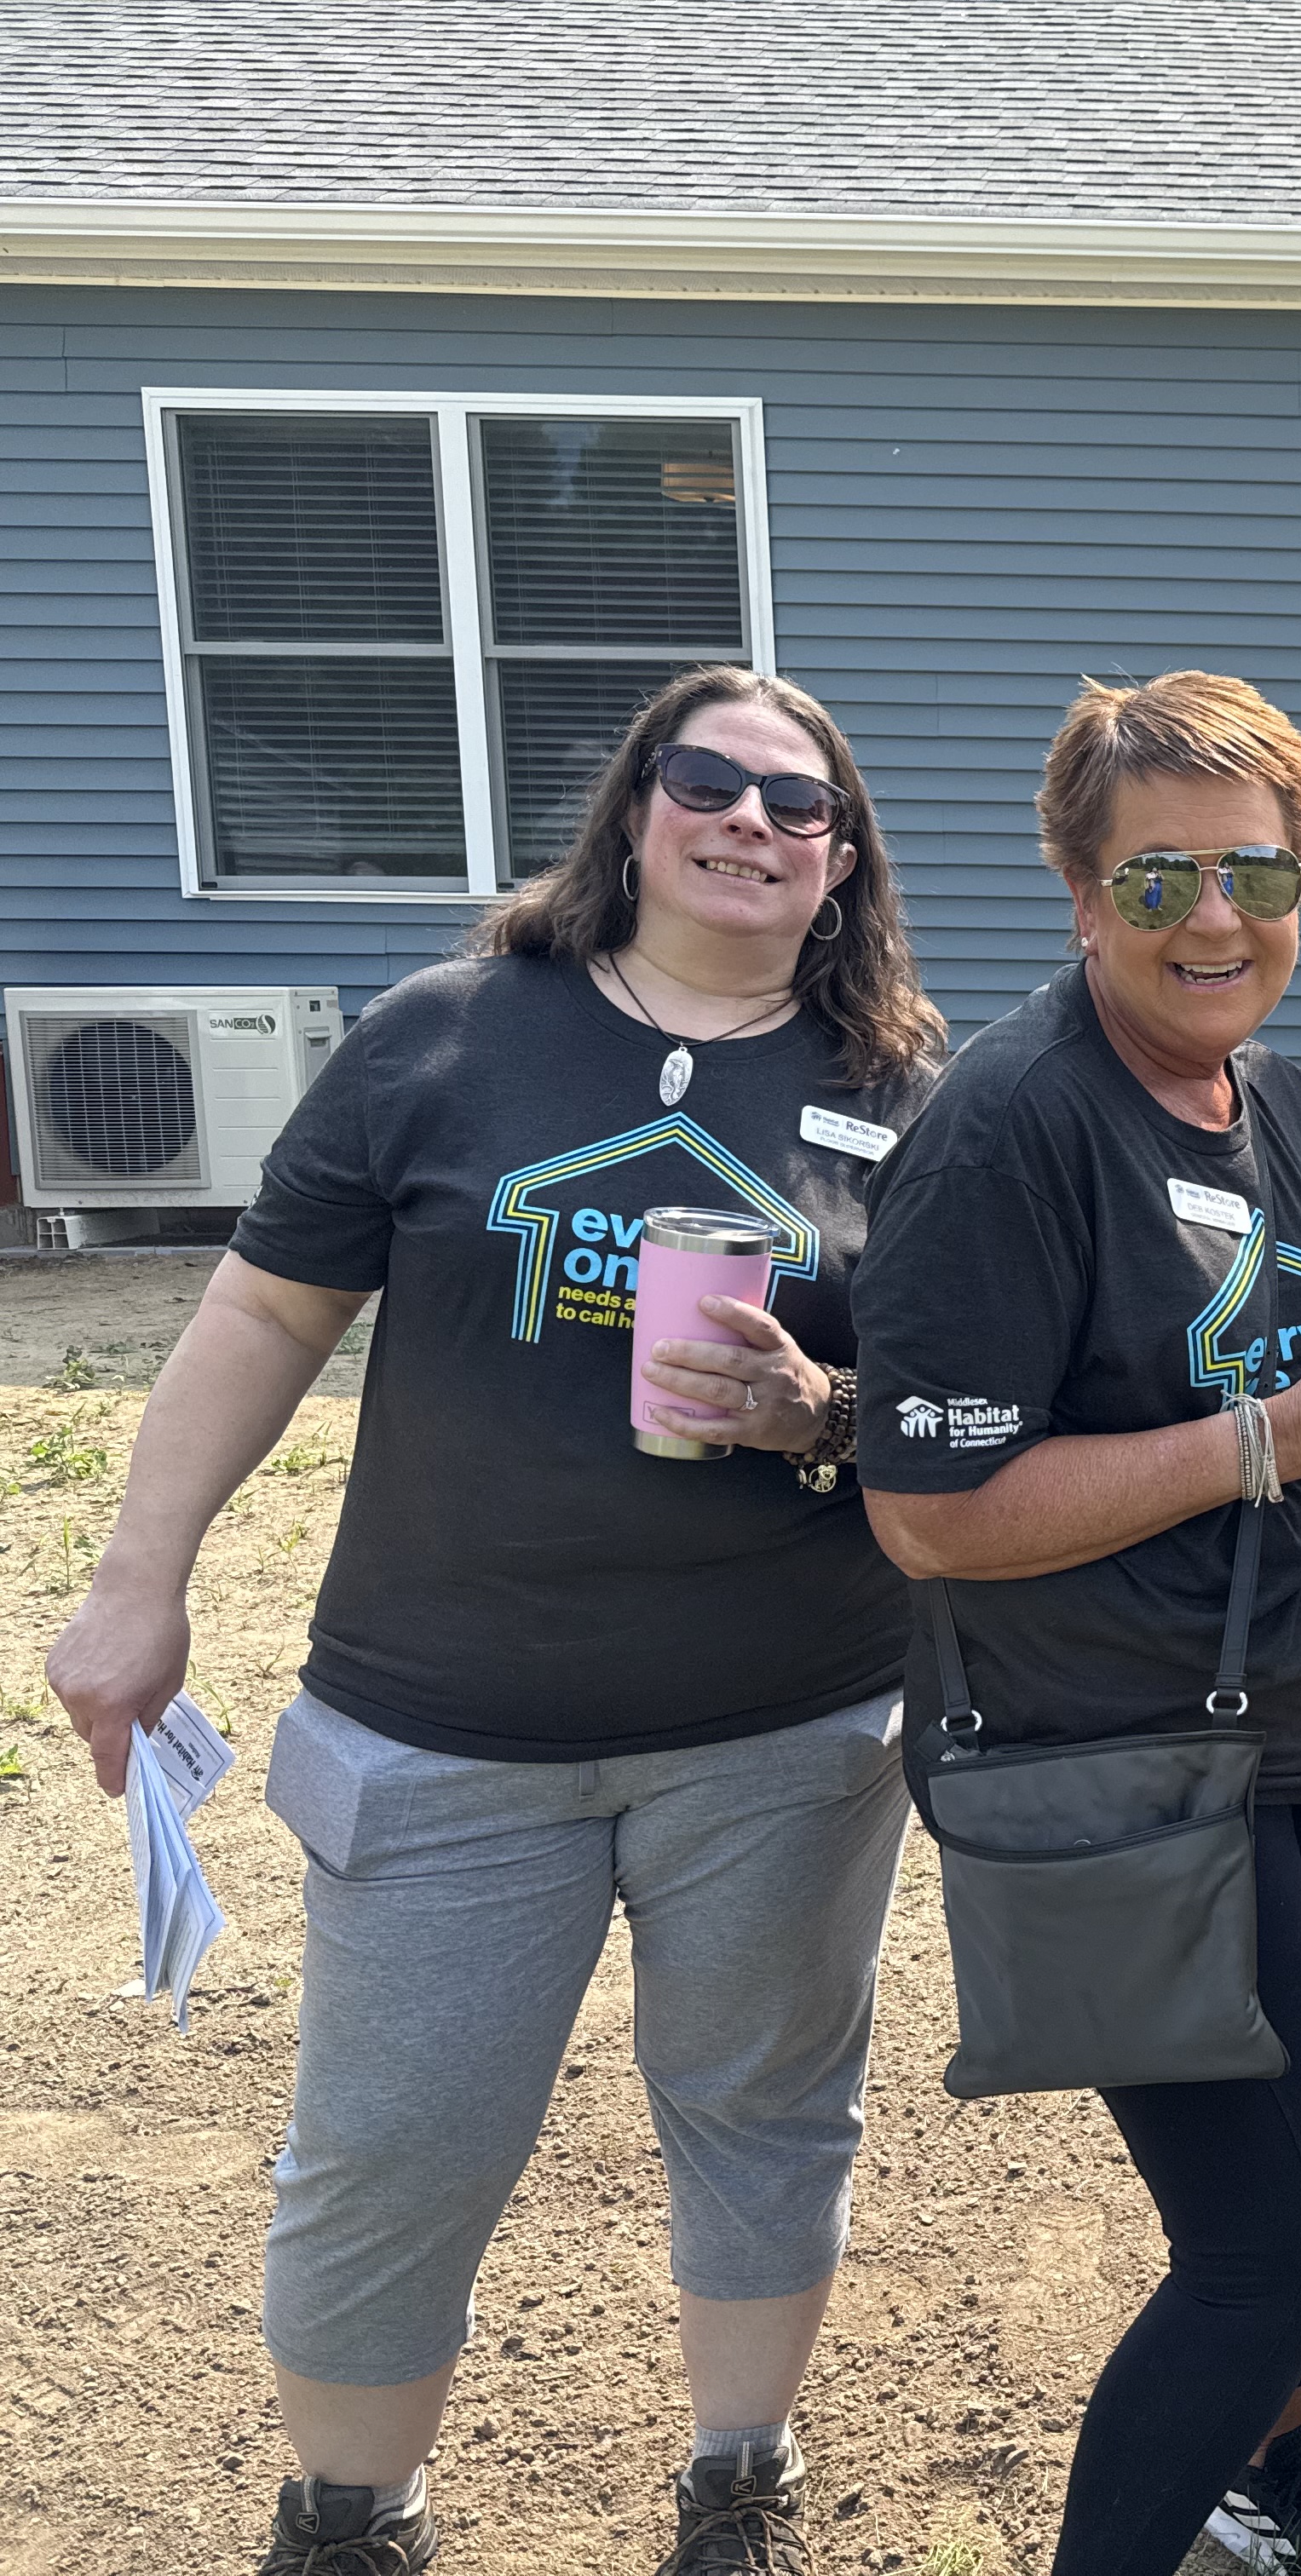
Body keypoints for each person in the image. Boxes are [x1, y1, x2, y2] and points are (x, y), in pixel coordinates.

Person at [46, 665, 946, 2576]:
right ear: (634, 808)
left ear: (844, 861)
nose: (753, 821)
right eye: (709, 780)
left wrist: (820, 1414)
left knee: (769, 2114)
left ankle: (740, 2481)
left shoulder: (900, 1090)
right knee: (395, 2142)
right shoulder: (446, 1036)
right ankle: (350, 2516)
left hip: (786, 1728)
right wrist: (138, 1581)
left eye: (801, 804)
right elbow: (263, 1311)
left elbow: (952, 1401)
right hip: (444, 1721)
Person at [852, 673, 1301, 2576]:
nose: (1217, 919)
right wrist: (1272, 1435)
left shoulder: (1284, 1106)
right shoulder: (1010, 1132)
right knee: (1273, 2237)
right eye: (1159, 880)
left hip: (1299, 1746)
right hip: (1121, 1763)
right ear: (1080, 895)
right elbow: (932, 1513)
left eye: (1258, 874)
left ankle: (1264, 2472)